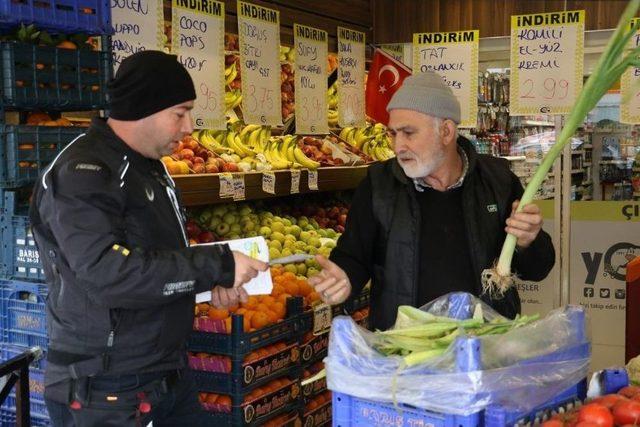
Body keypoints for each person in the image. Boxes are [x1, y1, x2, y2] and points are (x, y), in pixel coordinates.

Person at [30, 51, 267, 426]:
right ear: (143, 108)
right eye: (180, 112)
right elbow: (108, 272)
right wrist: (215, 265)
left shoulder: (147, 167)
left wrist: (210, 283)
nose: (189, 127)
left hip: (164, 374)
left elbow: (155, 258)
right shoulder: (83, 173)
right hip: (107, 389)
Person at [309, 71, 555, 330]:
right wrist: (344, 278)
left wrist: (529, 242)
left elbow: (538, 270)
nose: (398, 146)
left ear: (446, 132)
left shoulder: (498, 181)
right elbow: (354, 256)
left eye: (408, 133)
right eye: (393, 134)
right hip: (406, 351)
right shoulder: (378, 185)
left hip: (486, 347)